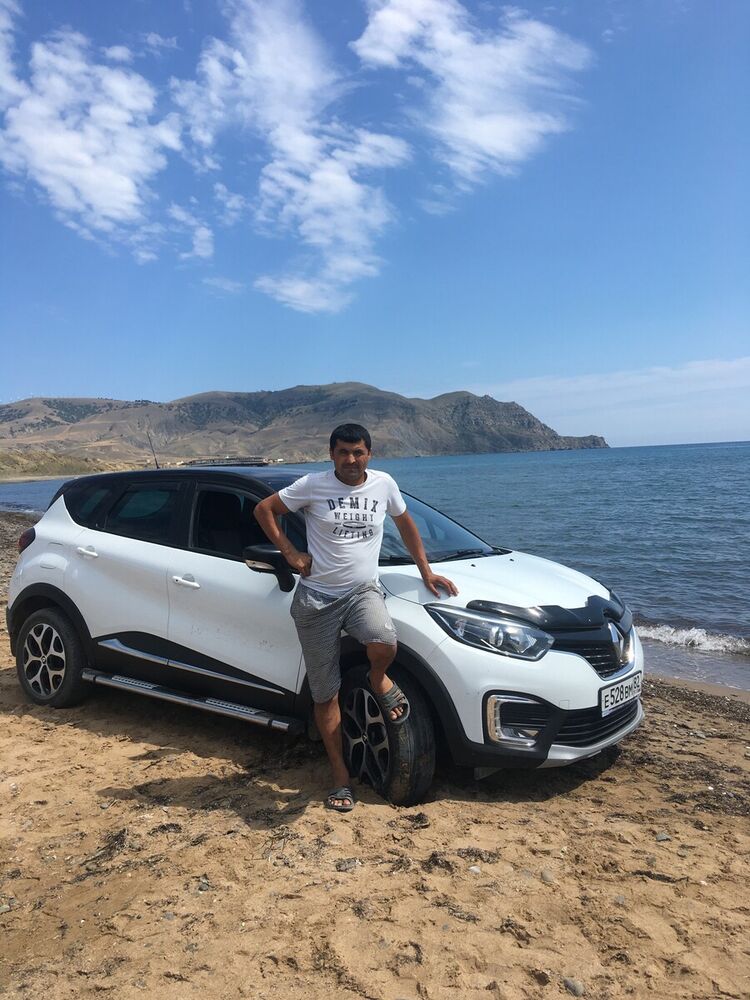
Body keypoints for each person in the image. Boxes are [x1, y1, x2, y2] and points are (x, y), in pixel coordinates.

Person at [254, 423, 458, 812]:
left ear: (369, 454)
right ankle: (341, 779)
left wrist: (426, 572)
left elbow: (405, 523)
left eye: (358, 452)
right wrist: (290, 553)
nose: (351, 459)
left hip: (362, 591)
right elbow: (264, 510)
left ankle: (378, 678)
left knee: (384, 641)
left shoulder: (384, 484)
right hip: (317, 600)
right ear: (331, 454)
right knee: (325, 693)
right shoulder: (312, 485)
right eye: (344, 452)